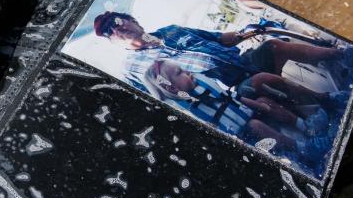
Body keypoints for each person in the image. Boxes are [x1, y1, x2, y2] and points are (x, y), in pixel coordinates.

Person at [138, 59, 333, 162]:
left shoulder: (202, 84)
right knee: (256, 125)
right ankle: (303, 148)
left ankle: (306, 127)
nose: (187, 72)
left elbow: (233, 98)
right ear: (172, 88)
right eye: (180, 73)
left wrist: (258, 105)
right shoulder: (188, 109)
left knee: (266, 101)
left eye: (183, 68)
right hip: (243, 133)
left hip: (245, 112)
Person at [94, 11, 350, 85]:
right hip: (231, 87)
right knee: (262, 84)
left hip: (245, 61)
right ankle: (324, 104)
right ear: (113, 41)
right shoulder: (133, 68)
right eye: (108, 32)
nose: (116, 29)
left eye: (116, 21)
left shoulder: (172, 28)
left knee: (273, 45)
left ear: (131, 19)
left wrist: (250, 31)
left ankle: (340, 55)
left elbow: (219, 38)